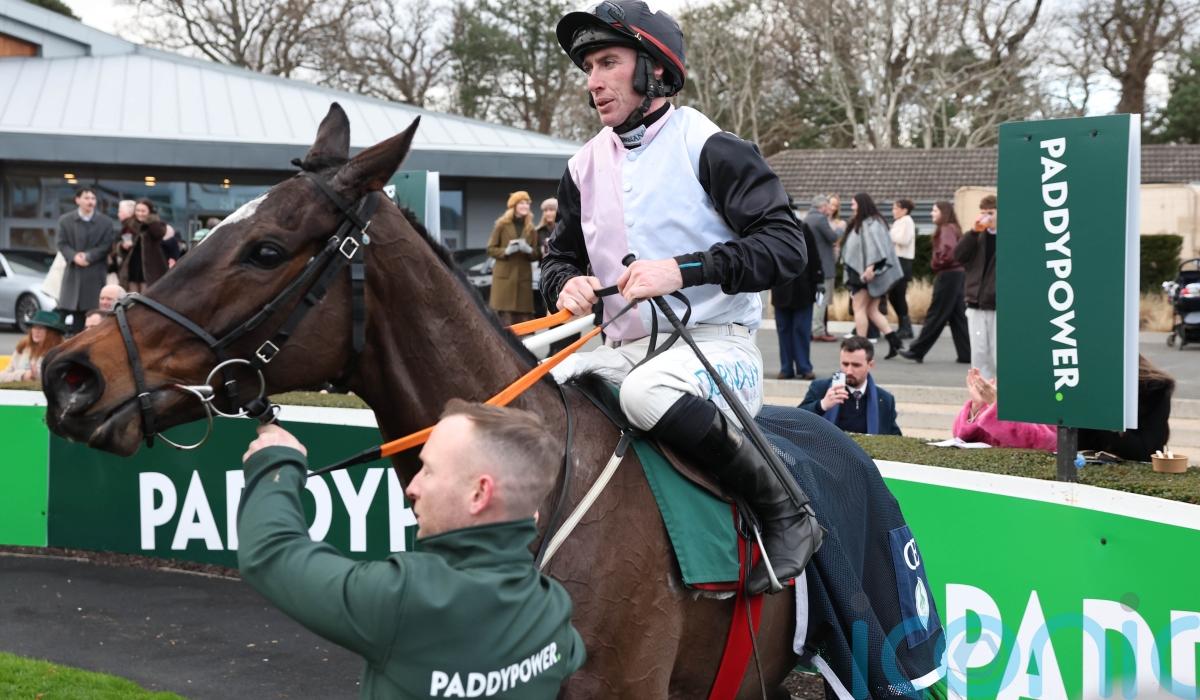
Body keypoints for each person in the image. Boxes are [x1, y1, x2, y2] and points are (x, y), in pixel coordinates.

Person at [541, 0, 811, 594]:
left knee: (646, 393)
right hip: (624, 350)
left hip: (717, 348)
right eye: (588, 67)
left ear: (653, 69)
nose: (593, 82)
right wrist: (564, 284)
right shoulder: (581, 166)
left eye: (607, 63)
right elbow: (557, 259)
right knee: (540, 394)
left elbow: (788, 248)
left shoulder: (711, 146)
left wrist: (684, 271)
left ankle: (787, 511)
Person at [237, 400, 586, 698]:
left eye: (428, 471)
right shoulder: (551, 609)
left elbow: (270, 552)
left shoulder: (406, 597)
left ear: (480, 493)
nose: (412, 487)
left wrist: (276, 461)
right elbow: (572, 652)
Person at [900, 201, 970, 364]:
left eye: (935, 211)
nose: (931, 213)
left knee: (936, 314)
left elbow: (948, 252)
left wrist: (936, 263)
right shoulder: (953, 227)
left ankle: (917, 350)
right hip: (958, 274)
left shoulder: (946, 228)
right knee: (958, 316)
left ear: (943, 213)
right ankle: (967, 353)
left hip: (948, 275)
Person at [841, 193, 904, 358]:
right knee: (872, 310)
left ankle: (860, 348)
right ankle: (894, 341)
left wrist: (870, 267)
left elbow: (876, 248)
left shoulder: (871, 223)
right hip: (865, 272)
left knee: (859, 308)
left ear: (861, 204)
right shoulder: (867, 222)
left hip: (864, 274)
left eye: (854, 204)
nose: (852, 206)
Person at [1078, 355, 1174, 461]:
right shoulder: (1087, 386)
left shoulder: (1154, 391)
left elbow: (1146, 451)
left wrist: (1109, 419)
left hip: (1136, 460)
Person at [799, 336, 901, 435]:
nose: (849, 371)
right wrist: (822, 405)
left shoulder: (885, 399)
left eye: (856, 365)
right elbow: (795, 420)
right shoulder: (821, 388)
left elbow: (895, 438)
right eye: (845, 364)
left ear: (870, 365)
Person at [56, 187, 115, 333]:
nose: (90, 201)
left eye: (93, 198)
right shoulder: (65, 221)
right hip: (73, 272)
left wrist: (89, 256)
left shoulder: (106, 222)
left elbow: (107, 245)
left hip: (95, 274)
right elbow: (61, 243)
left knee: (93, 311)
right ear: (77, 200)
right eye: (87, 198)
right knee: (70, 313)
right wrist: (74, 256)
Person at [952, 367, 1056, 450]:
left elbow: (1041, 441)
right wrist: (977, 406)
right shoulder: (993, 407)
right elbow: (961, 438)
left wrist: (998, 407)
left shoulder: (1048, 406)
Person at [771, 218, 822, 379]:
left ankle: (803, 367)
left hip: (803, 289)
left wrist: (818, 281)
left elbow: (814, 257)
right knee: (784, 330)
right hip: (782, 288)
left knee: (801, 330)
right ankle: (787, 367)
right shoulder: (773, 229)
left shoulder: (804, 228)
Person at [956, 193, 998, 379]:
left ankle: (1000, 392)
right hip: (976, 302)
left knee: (998, 353)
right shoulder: (977, 237)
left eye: (990, 213)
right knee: (979, 355)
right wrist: (973, 232)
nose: (985, 217)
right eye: (982, 212)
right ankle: (982, 393)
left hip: (996, 304)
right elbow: (958, 255)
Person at [487, 191, 541, 326]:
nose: (525, 206)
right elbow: (490, 249)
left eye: (527, 203)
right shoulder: (501, 225)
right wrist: (506, 251)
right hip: (504, 280)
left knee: (523, 319)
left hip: (523, 279)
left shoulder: (531, 229)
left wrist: (528, 250)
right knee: (503, 319)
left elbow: (537, 254)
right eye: (521, 203)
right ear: (514, 206)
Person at [805, 194, 839, 342]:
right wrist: (840, 229)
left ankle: (813, 328)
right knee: (822, 300)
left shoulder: (807, 218)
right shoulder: (820, 219)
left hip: (811, 266)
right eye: (826, 206)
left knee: (815, 300)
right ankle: (818, 330)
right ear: (822, 206)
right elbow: (833, 237)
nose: (828, 208)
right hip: (824, 265)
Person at [118, 198, 170, 293]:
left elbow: (159, 234)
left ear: (149, 211)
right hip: (131, 270)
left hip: (150, 270)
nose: (140, 213)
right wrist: (123, 246)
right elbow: (119, 244)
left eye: (143, 211)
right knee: (131, 298)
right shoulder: (129, 225)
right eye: (137, 210)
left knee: (147, 297)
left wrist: (151, 220)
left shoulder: (155, 224)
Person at [0, 311, 66, 383]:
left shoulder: (58, 354)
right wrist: (22, 376)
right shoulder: (23, 347)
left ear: (52, 333)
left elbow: (50, 379)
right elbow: (3, 375)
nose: (36, 331)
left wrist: (33, 376)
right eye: (34, 327)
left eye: (41, 328)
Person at [888, 198, 916, 340]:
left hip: (902, 261)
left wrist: (889, 234)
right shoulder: (898, 222)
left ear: (904, 210)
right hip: (895, 261)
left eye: (896, 208)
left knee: (898, 294)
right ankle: (903, 325)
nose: (893, 211)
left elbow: (904, 240)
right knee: (893, 295)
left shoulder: (907, 221)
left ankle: (905, 327)